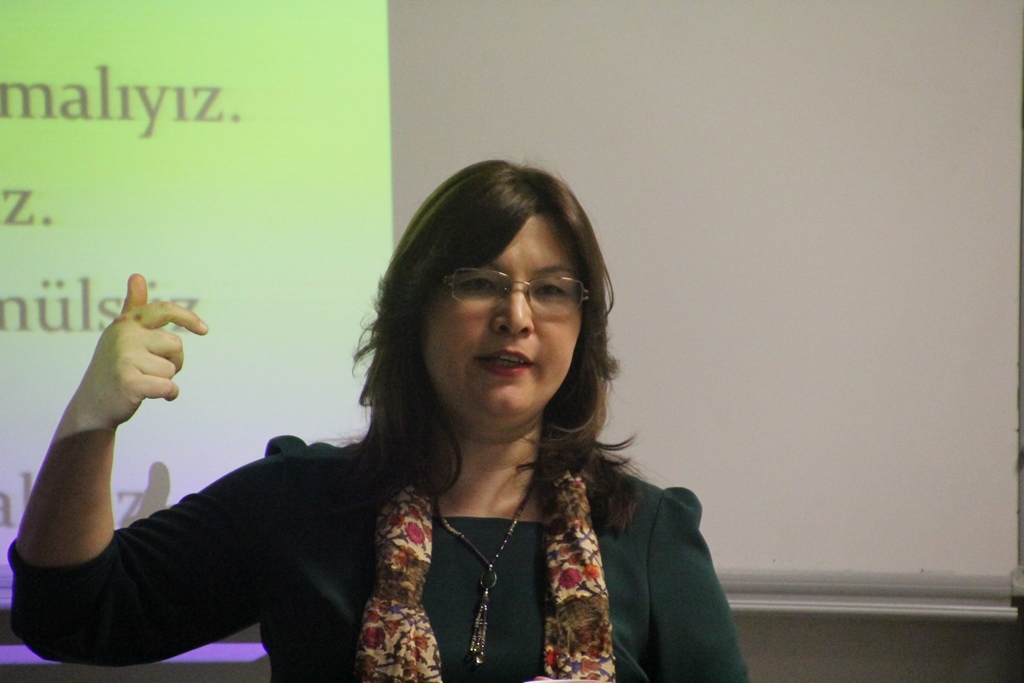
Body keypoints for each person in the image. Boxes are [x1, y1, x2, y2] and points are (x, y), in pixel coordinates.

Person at [9, 160, 750, 682]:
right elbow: (69, 614)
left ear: (583, 328)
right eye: (480, 282)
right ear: (414, 309)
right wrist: (89, 423)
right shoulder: (299, 502)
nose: (516, 316)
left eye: (552, 290)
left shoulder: (647, 535)